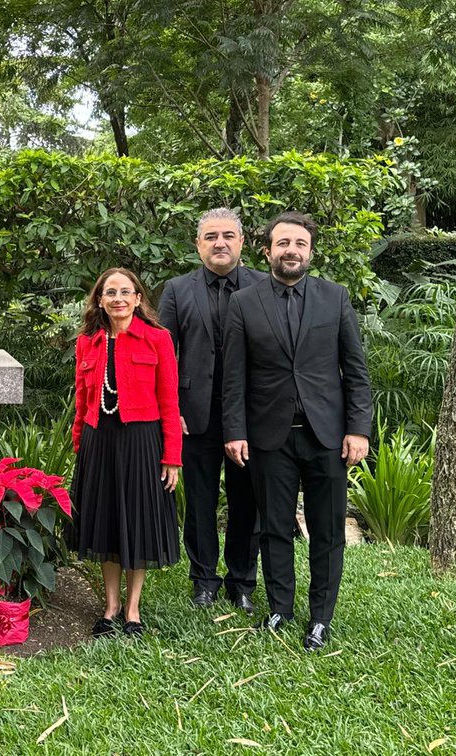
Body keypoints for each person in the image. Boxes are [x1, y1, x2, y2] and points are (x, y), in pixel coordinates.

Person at [222, 211, 371, 651]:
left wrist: (358, 429)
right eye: (283, 243)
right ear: (267, 250)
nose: (292, 250)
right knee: (273, 528)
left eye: (300, 243)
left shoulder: (335, 298)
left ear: (310, 251)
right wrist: (235, 430)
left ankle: (321, 616)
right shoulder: (244, 303)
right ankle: (281, 609)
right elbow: (234, 377)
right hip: (269, 437)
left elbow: (357, 372)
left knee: (327, 531)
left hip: (328, 436)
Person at [158, 208, 263, 613]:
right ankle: (203, 579)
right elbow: (164, 355)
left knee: (246, 501)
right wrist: (173, 409)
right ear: (198, 244)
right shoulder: (177, 290)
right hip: (194, 414)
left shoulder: (262, 286)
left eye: (228, 236)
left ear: (241, 243)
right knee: (200, 503)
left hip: (250, 416)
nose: (220, 243)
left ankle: (241, 582)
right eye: (211, 237)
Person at [69, 267, 181, 638]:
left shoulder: (157, 339)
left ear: (137, 298)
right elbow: (82, 399)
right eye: (110, 292)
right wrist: (79, 447)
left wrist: (172, 456)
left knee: (136, 519)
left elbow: (169, 400)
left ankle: (133, 610)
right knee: (106, 521)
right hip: (99, 441)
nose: (118, 298)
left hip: (142, 441)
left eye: (125, 292)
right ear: (100, 300)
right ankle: (111, 605)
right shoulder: (88, 342)